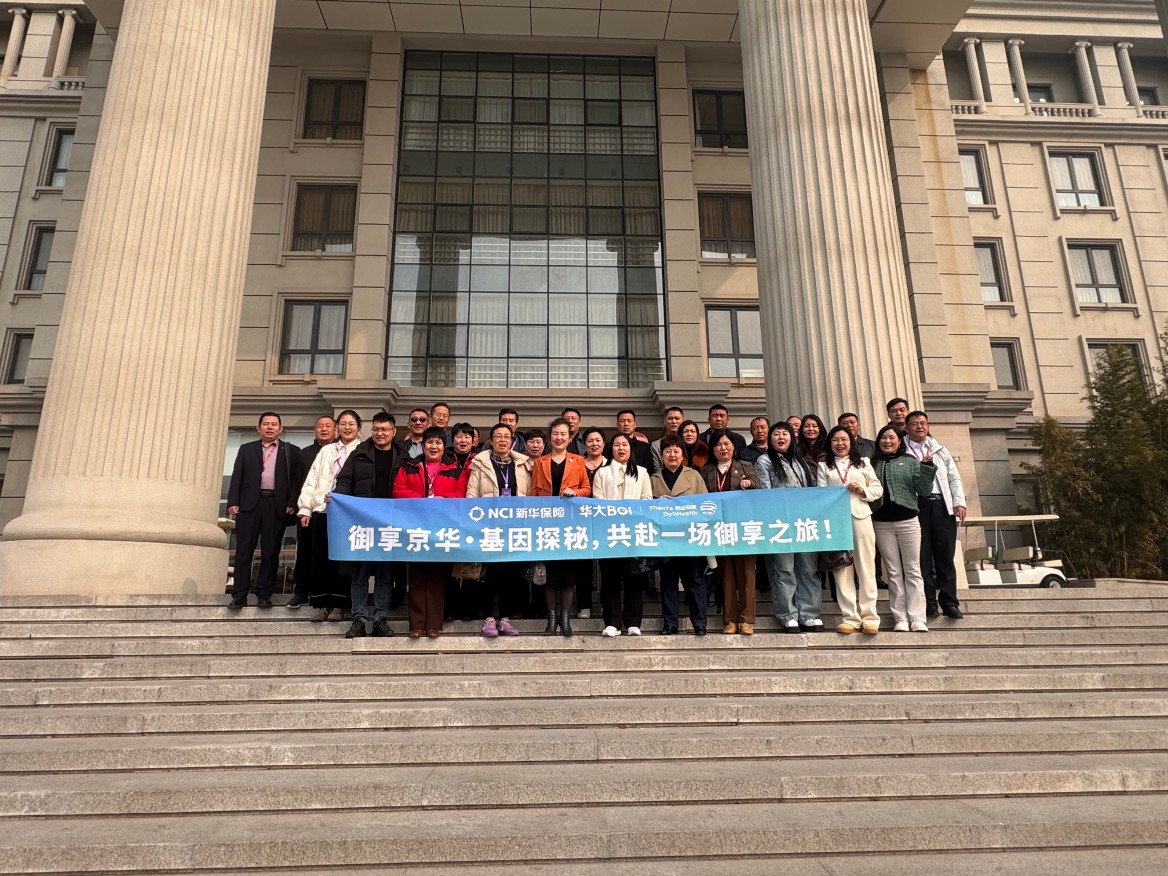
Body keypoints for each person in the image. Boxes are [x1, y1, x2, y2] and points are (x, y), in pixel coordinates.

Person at [332, 411, 405, 638]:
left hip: (390, 524)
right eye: (376, 429)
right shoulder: (359, 454)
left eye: (384, 429)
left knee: (385, 575)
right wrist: (338, 498)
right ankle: (359, 620)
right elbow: (345, 481)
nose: (380, 433)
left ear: (393, 432)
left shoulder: (403, 457)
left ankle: (380, 620)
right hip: (362, 522)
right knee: (360, 574)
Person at [391, 427, 469, 638]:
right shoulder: (409, 467)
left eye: (438, 443)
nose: (434, 447)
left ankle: (434, 624)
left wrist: (442, 500)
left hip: (441, 529)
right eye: (430, 442)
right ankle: (416, 625)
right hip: (415, 528)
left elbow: (461, 494)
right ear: (423, 445)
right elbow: (398, 491)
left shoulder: (456, 469)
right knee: (416, 576)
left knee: (437, 577)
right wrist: (422, 501)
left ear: (444, 446)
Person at [755, 421, 825, 633]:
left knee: (808, 569)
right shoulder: (764, 461)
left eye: (785, 434)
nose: (781, 437)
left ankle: (809, 614)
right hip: (780, 525)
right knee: (784, 569)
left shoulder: (800, 460)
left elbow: (812, 488)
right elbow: (765, 493)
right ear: (770, 439)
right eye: (776, 434)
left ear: (792, 438)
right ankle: (788, 615)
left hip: (804, 523)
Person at [226, 412, 299, 609]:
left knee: (270, 552)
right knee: (244, 550)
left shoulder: (290, 451)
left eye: (274, 424)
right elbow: (237, 475)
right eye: (266, 424)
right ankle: (239, 594)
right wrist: (233, 501)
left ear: (280, 429)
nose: (270, 427)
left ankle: (264, 594)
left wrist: (292, 502)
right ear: (258, 428)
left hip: (275, 504)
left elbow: (295, 481)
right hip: (249, 505)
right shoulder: (247, 449)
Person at [465, 423, 531, 637]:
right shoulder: (480, 463)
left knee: (510, 574)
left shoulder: (523, 465)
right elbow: (471, 495)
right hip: (488, 527)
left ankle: (505, 618)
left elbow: (529, 495)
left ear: (512, 441)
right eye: (498, 436)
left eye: (506, 437)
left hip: (514, 528)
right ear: (491, 440)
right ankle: (489, 618)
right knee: (489, 573)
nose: (502, 440)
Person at [297, 409, 363, 622]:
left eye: (351, 424)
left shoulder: (362, 450)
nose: (347, 427)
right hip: (322, 510)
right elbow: (312, 479)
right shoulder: (326, 450)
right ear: (338, 428)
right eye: (343, 423)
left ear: (358, 427)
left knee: (342, 560)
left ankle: (340, 605)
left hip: (347, 514)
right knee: (320, 558)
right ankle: (321, 603)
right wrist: (305, 508)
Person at [817, 426, 883, 635]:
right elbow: (821, 494)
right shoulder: (824, 466)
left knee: (866, 567)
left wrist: (862, 490)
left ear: (851, 442)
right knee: (841, 567)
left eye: (844, 439)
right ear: (829, 443)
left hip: (860, 516)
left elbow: (877, 489)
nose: (840, 443)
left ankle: (870, 617)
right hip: (836, 521)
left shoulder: (863, 462)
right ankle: (849, 617)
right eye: (835, 440)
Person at [530, 418, 592, 637]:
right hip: (546, 525)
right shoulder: (540, 462)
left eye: (563, 434)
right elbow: (533, 493)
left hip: (569, 526)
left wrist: (575, 492)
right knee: (548, 575)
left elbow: (587, 489)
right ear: (550, 437)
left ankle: (565, 619)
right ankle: (551, 618)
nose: (559, 437)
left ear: (570, 437)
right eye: (555, 433)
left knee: (568, 575)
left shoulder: (578, 460)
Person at [871, 424, 937, 633]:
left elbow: (923, 490)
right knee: (893, 571)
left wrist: (927, 466)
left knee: (913, 569)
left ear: (900, 441)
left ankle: (918, 617)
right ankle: (900, 617)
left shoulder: (909, 461)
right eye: (883, 437)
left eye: (892, 437)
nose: (887, 441)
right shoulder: (871, 463)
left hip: (908, 521)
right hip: (881, 523)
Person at [904, 411, 968, 619]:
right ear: (907, 427)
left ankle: (950, 602)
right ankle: (929, 602)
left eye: (923, 423)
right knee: (921, 557)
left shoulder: (940, 450)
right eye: (914, 423)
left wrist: (959, 502)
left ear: (928, 426)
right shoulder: (902, 451)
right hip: (916, 506)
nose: (919, 427)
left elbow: (953, 477)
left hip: (941, 504)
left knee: (945, 556)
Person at [591, 433, 653, 637]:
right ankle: (612, 623)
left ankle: (633, 622)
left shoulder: (642, 472)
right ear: (611, 449)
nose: (621, 448)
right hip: (608, 533)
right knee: (610, 578)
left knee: (634, 577)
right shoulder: (602, 472)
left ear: (630, 449)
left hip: (633, 533)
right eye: (616, 444)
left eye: (624, 444)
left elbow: (647, 499)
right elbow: (597, 500)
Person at [701, 430, 759, 635]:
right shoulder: (706, 471)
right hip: (719, 529)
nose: (723, 448)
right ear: (713, 449)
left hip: (744, 528)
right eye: (718, 445)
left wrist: (749, 483)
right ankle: (730, 620)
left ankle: (746, 620)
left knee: (747, 574)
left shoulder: (746, 466)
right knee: (726, 575)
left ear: (734, 446)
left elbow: (759, 487)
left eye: (726, 444)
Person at [650, 436, 709, 636]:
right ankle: (670, 623)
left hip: (690, 538)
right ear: (662, 455)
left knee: (695, 581)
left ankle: (699, 623)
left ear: (682, 454)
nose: (672, 455)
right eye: (668, 451)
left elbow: (705, 506)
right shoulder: (654, 479)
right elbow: (646, 507)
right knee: (668, 582)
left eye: (676, 451)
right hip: (666, 539)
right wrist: (657, 501)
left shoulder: (694, 476)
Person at [288, 414, 336, 608]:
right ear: (314, 430)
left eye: (328, 426)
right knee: (305, 552)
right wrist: (299, 507)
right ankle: (300, 591)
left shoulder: (340, 452)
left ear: (336, 430)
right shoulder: (304, 454)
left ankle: (324, 593)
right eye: (320, 426)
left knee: (326, 554)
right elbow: (297, 482)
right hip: (307, 510)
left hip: (329, 511)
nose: (324, 429)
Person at [650, 406, 685, 474]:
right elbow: (656, 469)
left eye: (677, 418)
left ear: (683, 420)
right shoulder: (656, 445)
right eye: (670, 418)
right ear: (665, 421)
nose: (673, 421)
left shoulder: (688, 441)